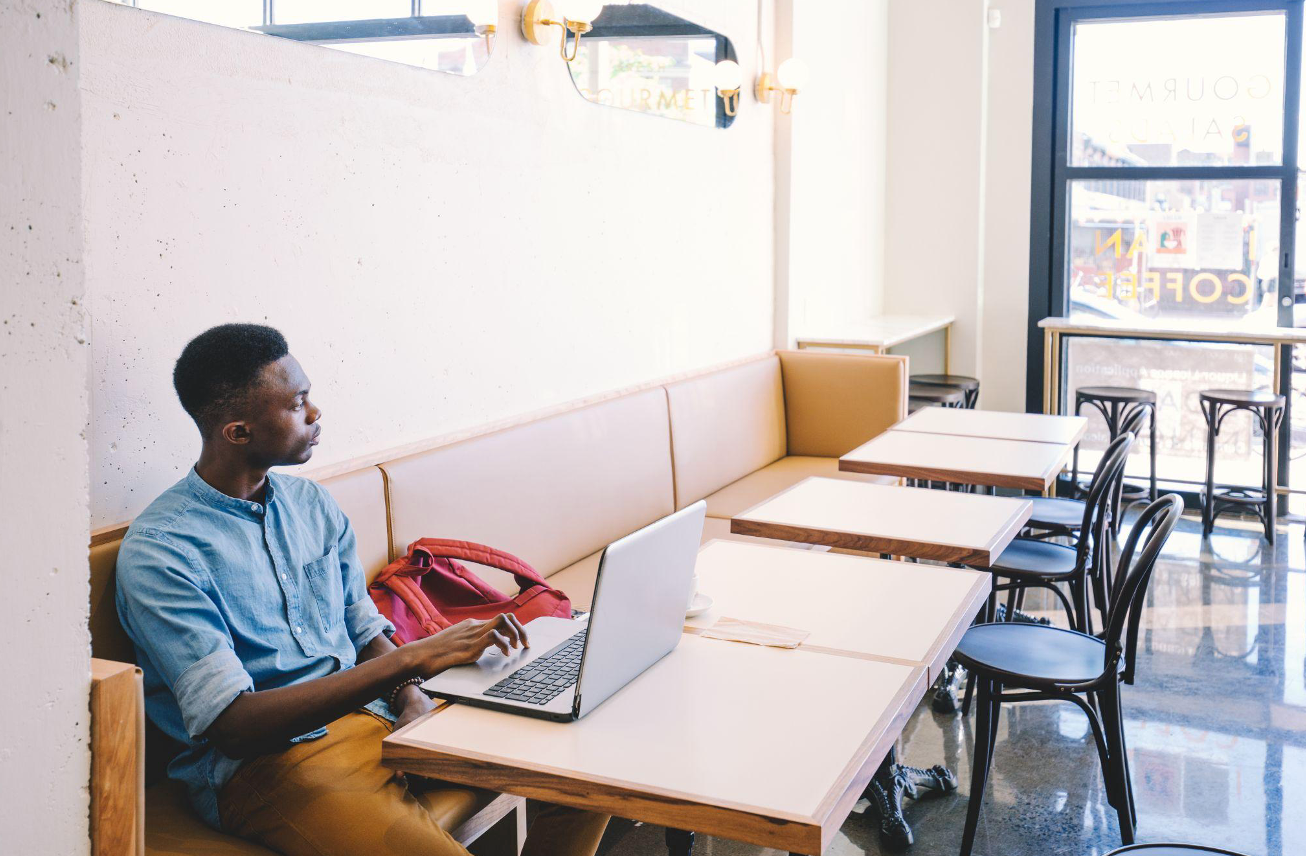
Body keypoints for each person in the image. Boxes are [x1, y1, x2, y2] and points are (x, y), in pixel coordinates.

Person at [115, 323, 610, 856]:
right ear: (238, 432)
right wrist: (411, 661)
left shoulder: (312, 506)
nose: (316, 412)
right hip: (270, 764)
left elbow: (360, 625)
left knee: (588, 770)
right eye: (298, 402)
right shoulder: (163, 551)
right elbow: (234, 726)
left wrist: (411, 696)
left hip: (381, 715)